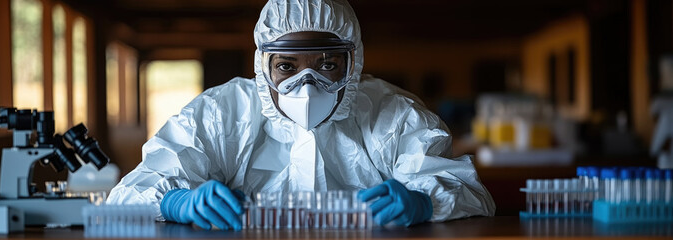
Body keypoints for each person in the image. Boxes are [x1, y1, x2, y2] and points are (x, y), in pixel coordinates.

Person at [106, 0, 495, 231]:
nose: (306, 87)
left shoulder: (393, 115)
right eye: (287, 67)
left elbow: (474, 195)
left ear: (352, 64)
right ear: (264, 67)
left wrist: (424, 200)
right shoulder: (222, 113)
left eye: (327, 65)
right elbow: (125, 197)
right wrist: (177, 202)